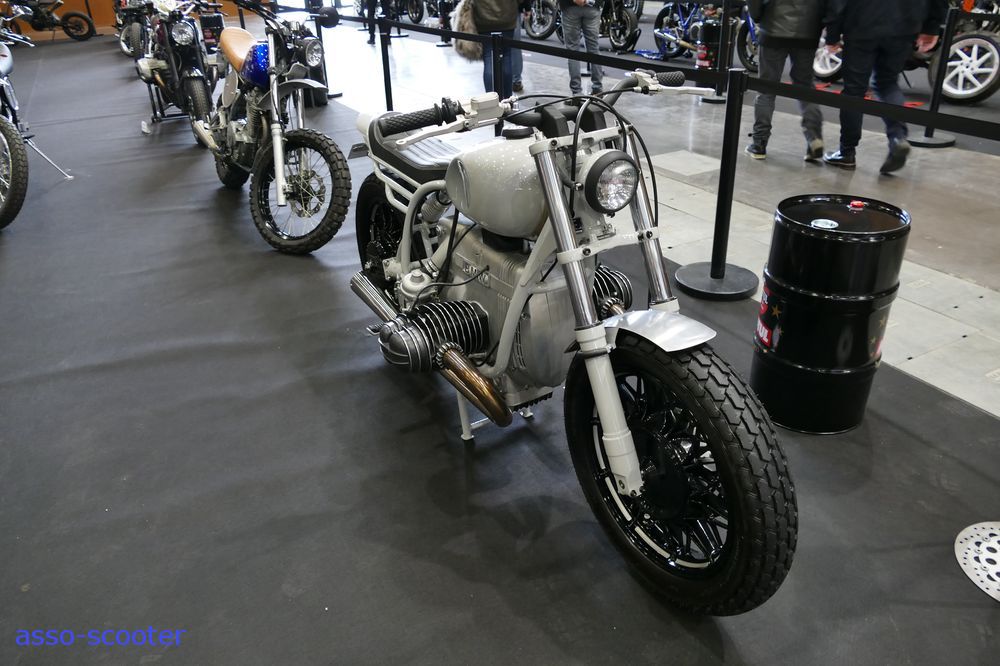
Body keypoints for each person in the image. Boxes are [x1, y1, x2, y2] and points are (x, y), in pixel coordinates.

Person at [822, 0, 947, 173]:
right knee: (887, 83)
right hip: (904, 25)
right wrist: (931, 27)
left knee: (854, 91)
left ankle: (847, 152)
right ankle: (897, 137)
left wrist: (832, 34)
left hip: (861, 23)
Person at [745, 0, 826, 161]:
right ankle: (814, 138)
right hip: (808, 30)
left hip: (773, 27)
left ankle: (759, 143)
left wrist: (757, 16)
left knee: (766, 88)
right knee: (805, 87)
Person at [475, 0, 519, 98]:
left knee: (488, 58)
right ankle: (507, 100)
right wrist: (526, 6)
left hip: (483, 17)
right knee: (506, 57)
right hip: (507, 18)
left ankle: (491, 100)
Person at [560, 0, 603, 96]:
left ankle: (577, 92)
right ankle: (598, 89)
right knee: (594, 49)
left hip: (570, 7)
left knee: (572, 50)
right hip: (592, 6)